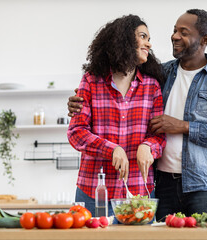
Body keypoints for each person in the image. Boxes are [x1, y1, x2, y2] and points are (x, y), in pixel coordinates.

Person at [68, 9, 207, 220]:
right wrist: (76, 102)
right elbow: (80, 128)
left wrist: (181, 127)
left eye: (183, 32)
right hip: (160, 184)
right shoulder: (159, 74)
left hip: (203, 184)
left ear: (204, 39)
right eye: (174, 30)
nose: (174, 36)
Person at [67, 14, 166, 217]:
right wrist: (112, 149)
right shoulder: (91, 82)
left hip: (139, 193)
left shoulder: (152, 86)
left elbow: (159, 136)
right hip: (92, 191)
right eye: (143, 36)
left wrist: (149, 146)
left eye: (148, 38)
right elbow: (76, 132)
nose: (149, 43)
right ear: (124, 40)